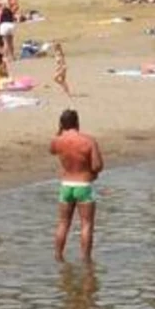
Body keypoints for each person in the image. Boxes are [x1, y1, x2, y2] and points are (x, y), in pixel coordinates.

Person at [50, 109, 103, 261]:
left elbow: (52, 150)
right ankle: (86, 260)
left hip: (66, 185)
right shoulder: (88, 141)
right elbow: (97, 165)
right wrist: (92, 173)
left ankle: (58, 256)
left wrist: (60, 132)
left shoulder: (57, 141)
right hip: (83, 185)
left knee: (63, 223)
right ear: (77, 123)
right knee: (86, 225)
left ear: (61, 124)